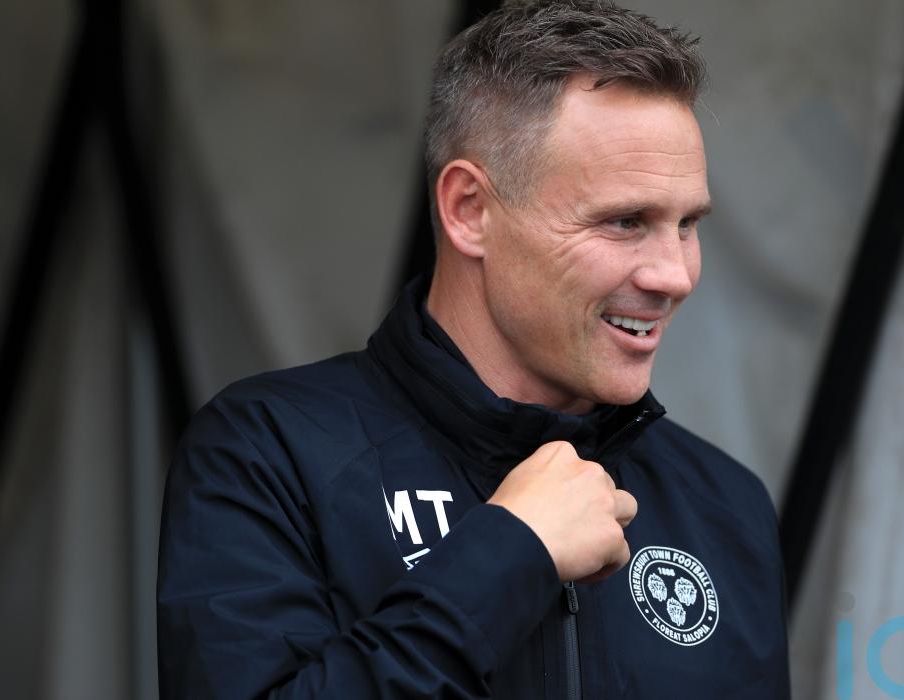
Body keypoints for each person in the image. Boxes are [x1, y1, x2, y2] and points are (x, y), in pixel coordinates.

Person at [157, 1, 791, 697]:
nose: (674, 275)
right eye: (624, 221)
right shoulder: (270, 455)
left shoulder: (724, 503)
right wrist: (511, 553)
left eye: (687, 224)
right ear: (469, 210)